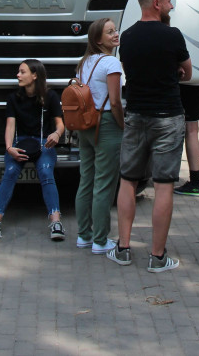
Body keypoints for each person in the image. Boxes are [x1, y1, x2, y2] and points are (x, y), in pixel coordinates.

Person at [107, 0, 191, 272]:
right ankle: (157, 257)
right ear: (156, 3)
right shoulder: (173, 36)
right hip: (168, 117)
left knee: (128, 180)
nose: (171, 5)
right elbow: (188, 72)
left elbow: (132, 71)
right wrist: (173, 70)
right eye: (168, 0)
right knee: (164, 184)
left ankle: (123, 248)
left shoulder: (127, 37)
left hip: (137, 115)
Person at [0, 59, 66, 241]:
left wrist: (57, 135)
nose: (18, 75)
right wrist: (9, 147)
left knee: (45, 172)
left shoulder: (50, 97)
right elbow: (10, 125)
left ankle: (56, 221)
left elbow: (60, 125)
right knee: (10, 172)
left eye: (22, 72)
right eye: (19, 72)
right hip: (20, 143)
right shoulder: (14, 98)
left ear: (35, 75)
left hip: (44, 143)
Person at [73, 18, 124, 254]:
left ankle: (84, 235)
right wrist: (122, 125)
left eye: (115, 30)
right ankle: (101, 241)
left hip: (85, 123)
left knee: (87, 180)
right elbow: (115, 101)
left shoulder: (84, 62)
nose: (115, 34)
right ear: (98, 39)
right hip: (105, 123)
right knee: (104, 183)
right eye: (109, 32)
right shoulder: (111, 63)